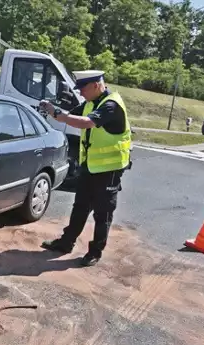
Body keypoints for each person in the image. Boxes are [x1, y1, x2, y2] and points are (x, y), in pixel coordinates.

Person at [39, 70, 132, 267]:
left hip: (110, 170)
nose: (80, 93)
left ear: (96, 85)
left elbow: (87, 122)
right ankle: (66, 243)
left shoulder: (110, 105)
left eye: (83, 89)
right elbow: (72, 115)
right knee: (80, 206)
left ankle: (95, 252)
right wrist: (52, 108)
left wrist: (59, 115)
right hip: (90, 166)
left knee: (102, 212)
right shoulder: (92, 102)